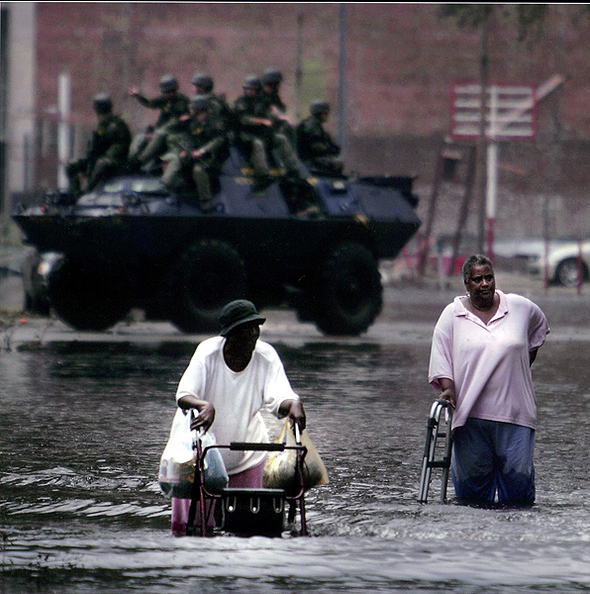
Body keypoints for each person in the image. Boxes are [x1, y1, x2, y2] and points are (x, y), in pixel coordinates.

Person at [170, 299, 306, 534]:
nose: (253, 335)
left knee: (251, 527)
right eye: (246, 330)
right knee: (196, 529)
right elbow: (184, 394)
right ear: (231, 335)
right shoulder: (208, 353)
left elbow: (279, 397)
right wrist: (205, 405)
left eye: (256, 328)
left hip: (247, 452)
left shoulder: (266, 356)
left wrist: (293, 404)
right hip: (203, 453)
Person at [428, 254, 550, 507]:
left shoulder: (519, 307)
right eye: (477, 279)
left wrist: (520, 366)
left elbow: (539, 330)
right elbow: (441, 355)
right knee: (471, 494)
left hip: (515, 414)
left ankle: (512, 544)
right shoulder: (452, 315)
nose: (484, 283)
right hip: (470, 416)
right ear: (466, 284)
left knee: (518, 492)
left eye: (488, 277)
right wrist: (448, 388)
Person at [155, 94, 229, 212]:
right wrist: (186, 150)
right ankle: (165, 185)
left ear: (199, 109)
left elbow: (218, 140)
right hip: (194, 154)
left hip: (211, 159)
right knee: (177, 159)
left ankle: (206, 201)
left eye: (192, 108)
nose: (190, 110)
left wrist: (202, 151)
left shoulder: (214, 122)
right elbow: (186, 137)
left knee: (198, 170)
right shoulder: (193, 122)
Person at [233, 75, 304, 187]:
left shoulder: (263, 101)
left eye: (251, 89)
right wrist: (261, 121)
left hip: (263, 133)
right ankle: (263, 175)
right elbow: (243, 119)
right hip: (247, 135)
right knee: (258, 144)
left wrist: (280, 117)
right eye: (247, 89)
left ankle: (293, 170)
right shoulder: (241, 102)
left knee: (281, 139)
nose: (248, 91)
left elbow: (271, 113)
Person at [66, 93, 131, 195]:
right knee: (72, 165)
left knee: (101, 164)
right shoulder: (101, 125)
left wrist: (100, 159)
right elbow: (93, 147)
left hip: (115, 163)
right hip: (98, 159)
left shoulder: (117, 125)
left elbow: (119, 148)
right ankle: (75, 193)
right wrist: (90, 160)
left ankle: (87, 192)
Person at [128, 74, 190, 167]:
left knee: (160, 133)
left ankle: (140, 160)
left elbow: (188, 116)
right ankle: (130, 159)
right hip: (162, 129)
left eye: (172, 91)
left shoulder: (183, 101)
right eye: (167, 92)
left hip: (176, 131)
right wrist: (138, 96)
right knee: (141, 137)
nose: (170, 94)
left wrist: (186, 117)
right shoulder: (164, 100)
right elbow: (150, 103)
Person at [296, 100, 343, 176]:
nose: (327, 115)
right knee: (337, 163)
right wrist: (330, 150)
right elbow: (316, 147)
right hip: (310, 161)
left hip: (309, 159)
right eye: (326, 113)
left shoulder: (313, 124)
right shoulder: (312, 127)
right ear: (320, 113)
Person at [190, 72, 234, 137]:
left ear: (202, 88)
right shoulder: (210, 100)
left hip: (217, 134)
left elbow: (216, 122)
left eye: (195, 87)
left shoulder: (213, 103)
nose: (193, 89)